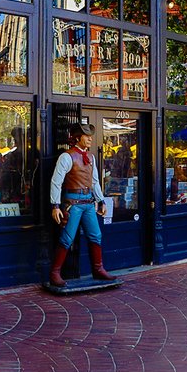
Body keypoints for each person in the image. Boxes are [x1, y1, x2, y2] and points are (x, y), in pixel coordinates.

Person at [46, 123, 113, 288]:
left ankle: (98, 269)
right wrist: (55, 205)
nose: (90, 139)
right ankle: (55, 273)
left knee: (96, 236)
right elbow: (56, 182)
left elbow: (95, 181)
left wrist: (101, 200)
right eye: (86, 136)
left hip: (89, 203)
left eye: (91, 135)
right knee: (67, 238)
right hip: (73, 204)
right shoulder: (66, 157)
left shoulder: (91, 157)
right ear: (77, 138)